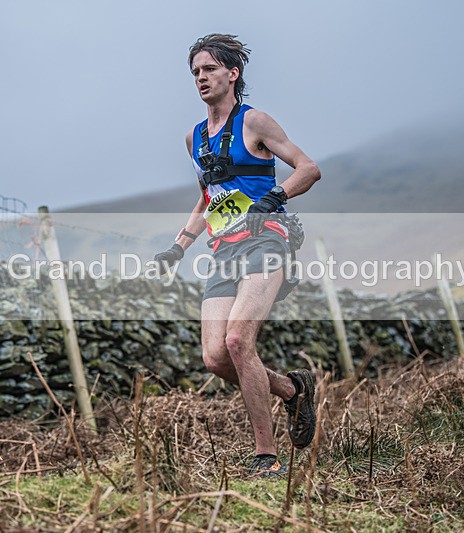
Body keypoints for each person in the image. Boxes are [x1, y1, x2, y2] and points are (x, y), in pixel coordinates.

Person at [154, 34, 321, 478]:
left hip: (267, 239)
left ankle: (266, 457)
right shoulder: (194, 138)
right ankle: (291, 391)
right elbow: (208, 198)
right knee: (214, 357)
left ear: (233, 73)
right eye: (195, 72)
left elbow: (308, 168)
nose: (201, 78)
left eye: (209, 69)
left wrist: (275, 196)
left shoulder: (255, 122)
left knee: (237, 341)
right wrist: (178, 246)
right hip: (222, 250)